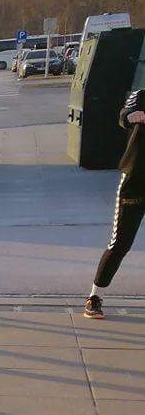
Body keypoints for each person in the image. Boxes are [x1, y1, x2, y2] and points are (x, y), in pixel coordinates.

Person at [84, 88, 144, 319]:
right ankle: (94, 296)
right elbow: (124, 115)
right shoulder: (141, 95)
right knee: (120, 243)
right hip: (135, 181)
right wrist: (131, 116)